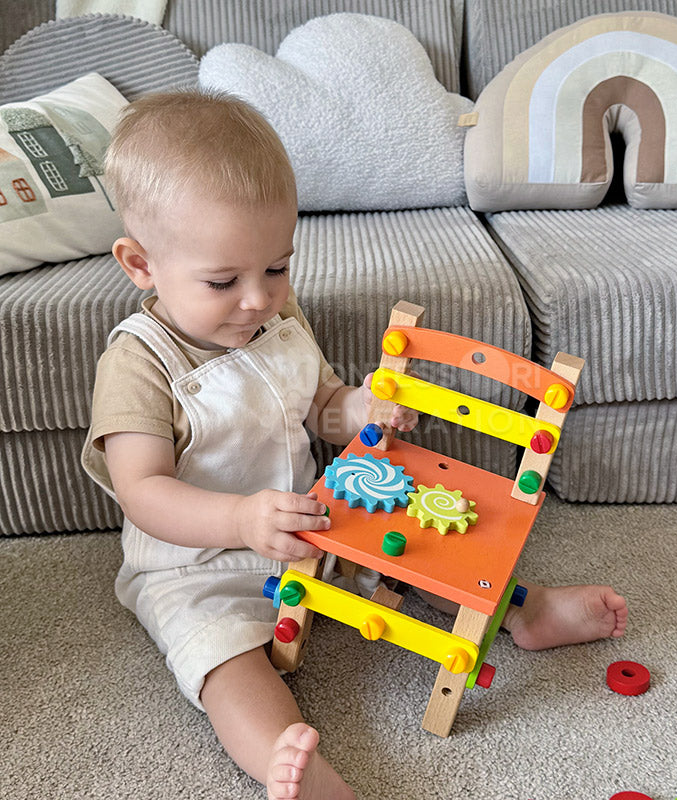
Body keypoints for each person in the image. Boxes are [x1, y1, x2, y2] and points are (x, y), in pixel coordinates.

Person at [83, 89, 628, 800]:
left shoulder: (278, 318)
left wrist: (363, 409)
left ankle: (524, 610)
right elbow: (143, 491)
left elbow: (321, 408)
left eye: (276, 267)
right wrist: (241, 519)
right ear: (140, 264)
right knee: (225, 660)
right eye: (223, 281)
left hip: (311, 521)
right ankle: (289, 761)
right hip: (196, 563)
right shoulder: (138, 362)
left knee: (419, 547)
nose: (258, 299)